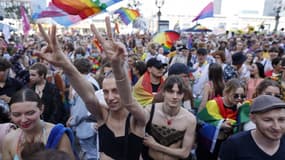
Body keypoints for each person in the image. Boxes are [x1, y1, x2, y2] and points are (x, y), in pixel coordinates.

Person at [36, 18, 146, 160]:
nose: (110, 97)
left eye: (115, 91)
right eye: (105, 92)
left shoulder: (138, 118)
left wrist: (118, 66)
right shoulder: (102, 115)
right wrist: (65, 63)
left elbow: (129, 101)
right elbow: (87, 95)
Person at [1, 88, 75, 160]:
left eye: (30, 113)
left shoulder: (57, 135)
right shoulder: (9, 139)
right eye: (17, 115)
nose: (23, 120)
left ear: (41, 109)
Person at [142, 75, 196, 160]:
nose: (175, 97)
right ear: (163, 92)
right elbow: (136, 139)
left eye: (179, 93)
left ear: (183, 95)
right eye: (171, 92)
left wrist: (155, 146)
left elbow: (185, 153)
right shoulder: (150, 111)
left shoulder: (189, 119)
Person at [219, 95, 285, 160]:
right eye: (268, 120)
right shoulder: (234, 144)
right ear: (253, 118)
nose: (277, 127)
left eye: (281, 119)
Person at [196, 78, 246, 160]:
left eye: (242, 96)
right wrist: (220, 125)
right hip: (208, 147)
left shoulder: (240, 108)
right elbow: (202, 122)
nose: (239, 98)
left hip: (227, 147)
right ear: (227, 92)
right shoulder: (213, 104)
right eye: (236, 95)